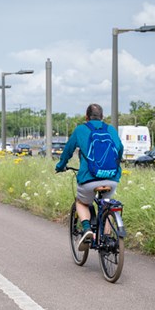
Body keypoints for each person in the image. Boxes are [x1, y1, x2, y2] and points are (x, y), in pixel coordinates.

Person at [55, 103, 123, 250]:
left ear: (86, 117)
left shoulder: (81, 129)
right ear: (102, 117)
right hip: (111, 178)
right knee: (107, 203)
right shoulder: (110, 129)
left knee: (82, 202)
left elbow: (68, 150)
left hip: (89, 179)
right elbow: (120, 149)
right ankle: (106, 238)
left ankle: (87, 230)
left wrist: (60, 166)